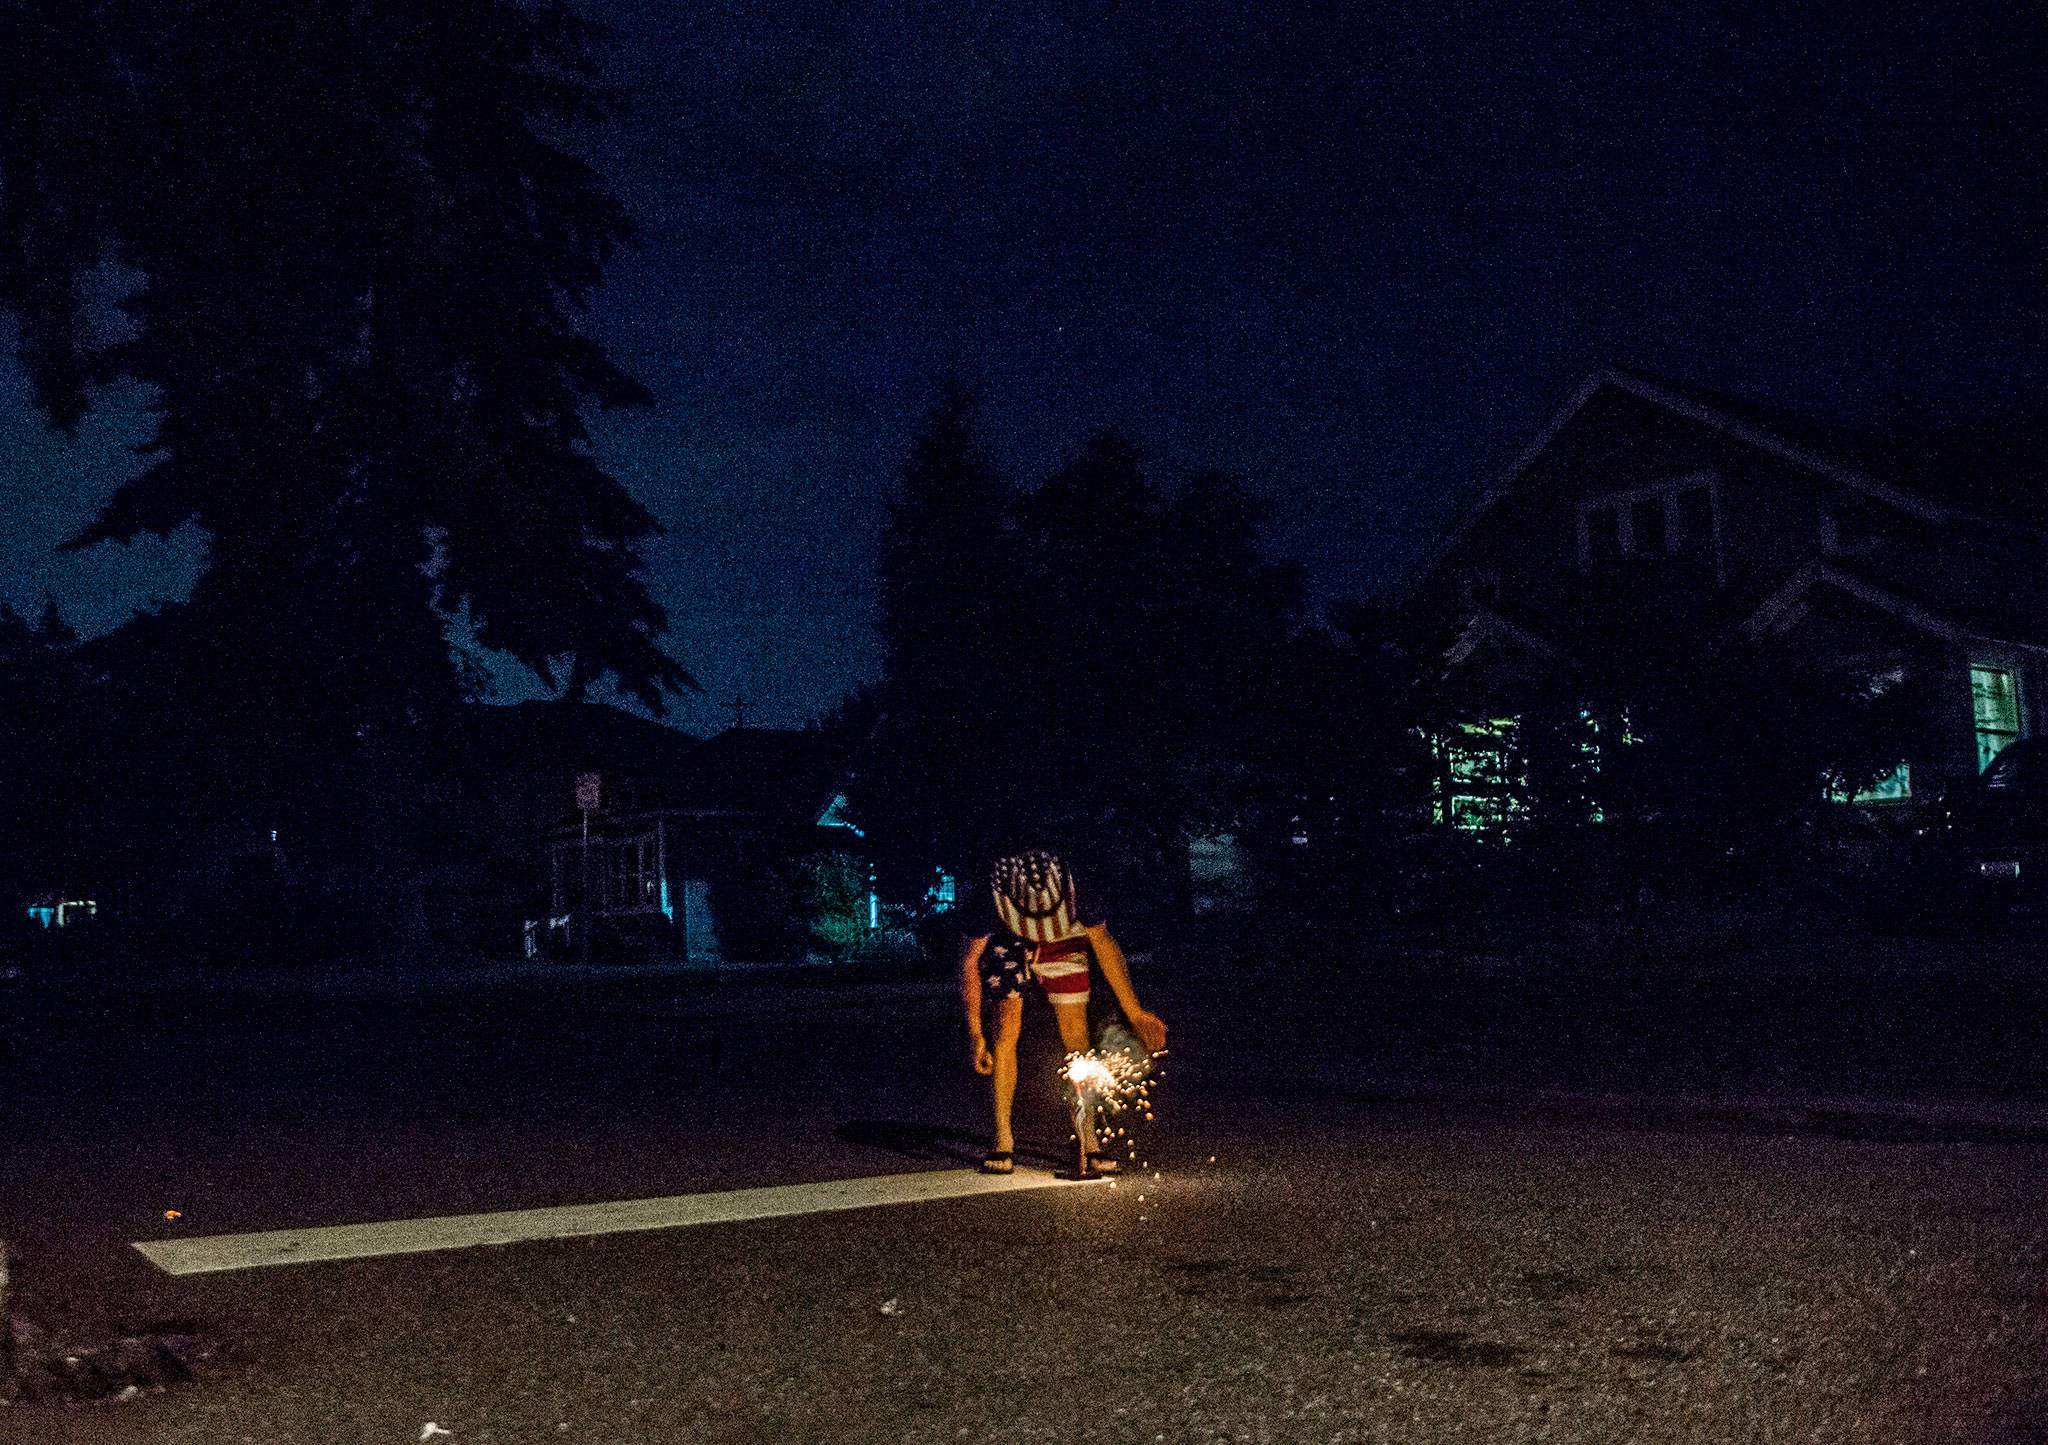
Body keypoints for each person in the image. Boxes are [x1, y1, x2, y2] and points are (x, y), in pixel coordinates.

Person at [960, 848, 1167, 1176]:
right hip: (1007, 940)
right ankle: (1003, 1139)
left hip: (1065, 936)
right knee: (1006, 1028)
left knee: (1077, 1040)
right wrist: (975, 1033)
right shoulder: (992, 895)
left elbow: (1104, 944)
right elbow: (970, 961)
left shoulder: (1077, 888)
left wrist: (1135, 1012)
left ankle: (1089, 1140)